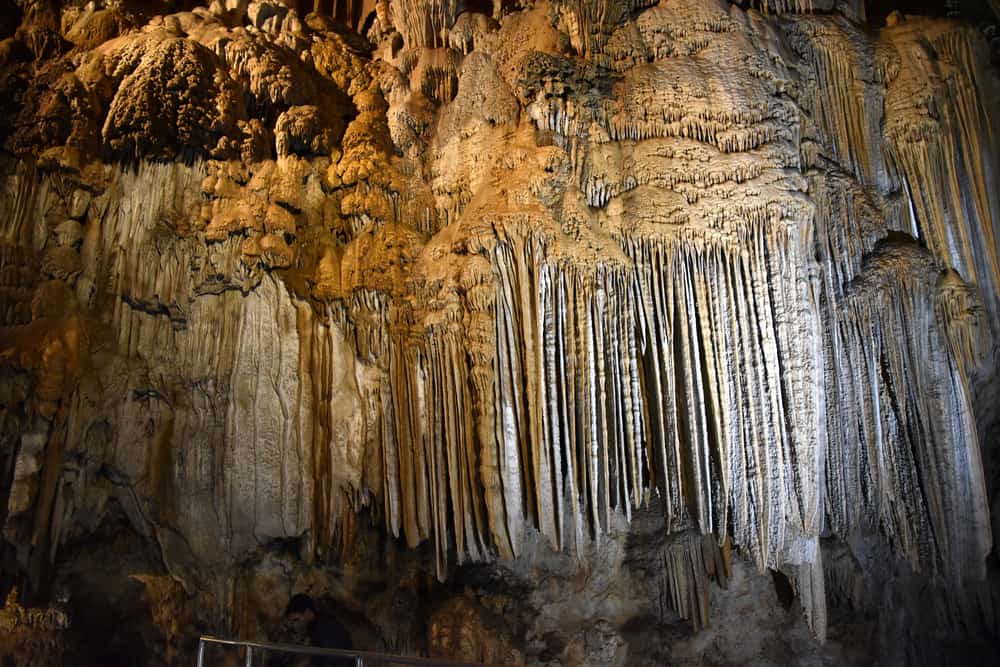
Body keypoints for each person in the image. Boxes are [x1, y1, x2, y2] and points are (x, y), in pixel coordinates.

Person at [282, 593, 354, 667]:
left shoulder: (327, 627)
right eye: (292, 622)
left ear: (308, 613)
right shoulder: (316, 626)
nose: (295, 625)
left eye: (297, 620)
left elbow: (334, 659)